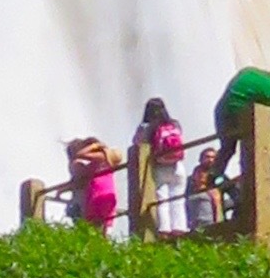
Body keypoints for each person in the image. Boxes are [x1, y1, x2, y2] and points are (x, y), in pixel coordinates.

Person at [209, 65, 270, 182]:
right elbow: (266, 116)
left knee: (227, 148)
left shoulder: (248, 70)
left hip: (221, 113)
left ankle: (213, 176)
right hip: (240, 116)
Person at [132, 98, 187, 237]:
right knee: (178, 197)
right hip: (177, 166)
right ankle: (179, 228)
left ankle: (164, 230)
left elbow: (137, 143)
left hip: (160, 167)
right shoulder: (175, 124)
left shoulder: (146, 127)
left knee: (162, 199)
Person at [66, 137, 122, 235]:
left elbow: (79, 155)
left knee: (95, 223)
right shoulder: (97, 163)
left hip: (98, 192)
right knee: (103, 223)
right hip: (99, 191)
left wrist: (93, 146)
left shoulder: (101, 157)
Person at [186, 164, 221, 230]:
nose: (201, 174)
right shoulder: (189, 191)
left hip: (207, 222)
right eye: (198, 172)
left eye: (204, 173)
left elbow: (217, 207)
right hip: (193, 224)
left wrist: (218, 223)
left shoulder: (212, 190)